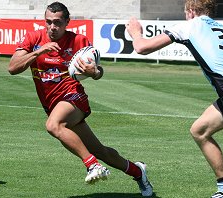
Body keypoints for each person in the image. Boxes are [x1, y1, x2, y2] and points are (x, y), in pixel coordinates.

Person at [126, 0, 223, 197]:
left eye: (186, 12)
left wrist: (135, 32)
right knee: (199, 130)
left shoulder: (189, 26)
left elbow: (142, 48)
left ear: (191, 11)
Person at [8, 1, 153, 197]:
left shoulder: (78, 41)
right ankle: (138, 171)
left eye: (57, 22)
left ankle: (92, 166)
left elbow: (98, 71)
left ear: (67, 22)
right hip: (52, 103)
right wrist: (40, 51)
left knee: (53, 125)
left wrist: (95, 72)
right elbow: (13, 68)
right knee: (101, 151)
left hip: (73, 96)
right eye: (48, 22)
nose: (52, 27)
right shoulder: (34, 38)